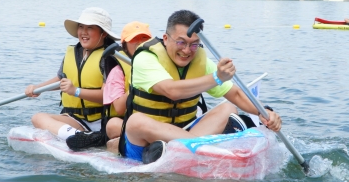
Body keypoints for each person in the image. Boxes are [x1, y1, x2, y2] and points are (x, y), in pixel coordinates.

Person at [120, 9, 282, 164]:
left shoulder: (200, 60)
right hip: (145, 141)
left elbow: (236, 94)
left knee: (228, 109)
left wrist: (264, 113)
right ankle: (210, 147)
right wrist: (217, 77)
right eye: (181, 42)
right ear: (166, 38)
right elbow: (172, 91)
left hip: (188, 132)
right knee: (136, 122)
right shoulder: (146, 58)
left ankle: (183, 148)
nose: (186, 50)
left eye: (194, 44)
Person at [24, 7, 117, 141]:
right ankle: (79, 137)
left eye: (90, 27)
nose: (83, 32)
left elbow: (107, 96)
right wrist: (38, 88)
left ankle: (81, 138)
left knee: (40, 120)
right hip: (76, 119)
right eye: (81, 26)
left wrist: (76, 91)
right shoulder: (74, 52)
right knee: (37, 118)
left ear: (103, 33)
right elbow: (60, 79)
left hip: (101, 120)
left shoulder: (109, 57)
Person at [66, 21, 153, 152]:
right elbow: (118, 108)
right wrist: (138, 84)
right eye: (133, 39)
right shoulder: (117, 69)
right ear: (124, 45)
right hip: (127, 121)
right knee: (113, 125)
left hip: (155, 121)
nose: (139, 42)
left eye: (144, 38)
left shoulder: (158, 63)